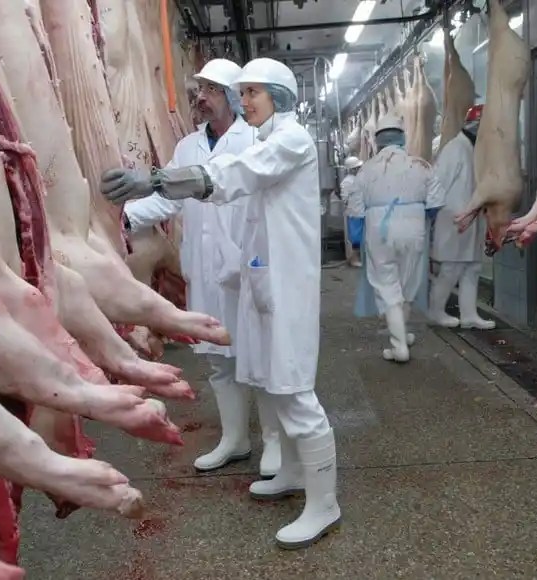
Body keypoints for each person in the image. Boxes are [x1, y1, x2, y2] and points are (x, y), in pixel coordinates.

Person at [100, 57, 340, 550]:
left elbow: (234, 173)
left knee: (293, 390)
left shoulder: (289, 140)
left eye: (252, 93)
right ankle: (293, 474)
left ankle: (325, 503)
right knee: (271, 383)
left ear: (281, 95)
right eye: (242, 92)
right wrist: (145, 199)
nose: (243, 100)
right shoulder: (270, 137)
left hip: (285, 288)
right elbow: (226, 178)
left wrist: (157, 178)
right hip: (260, 284)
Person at [109, 58, 282, 479]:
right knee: (218, 360)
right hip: (203, 269)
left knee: (259, 356)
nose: (200, 99)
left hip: (246, 267)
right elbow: (167, 197)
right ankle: (235, 439)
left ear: (230, 96)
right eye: (199, 91)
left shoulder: (255, 140)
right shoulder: (187, 146)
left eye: (209, 91)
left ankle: (275, 444)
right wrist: (126, 218)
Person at [346, 114, 446, 363]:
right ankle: (402, 332)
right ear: (403, 137)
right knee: (407, 284)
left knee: (388, 286)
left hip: (378, 229)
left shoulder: (366, 170)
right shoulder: (421, 165)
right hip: (414, 227)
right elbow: (435, 205)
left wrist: (357, 245)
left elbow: (355, 213)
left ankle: (399, 346)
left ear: (377, 141)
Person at [429, 104, 495, 330]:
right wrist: (433, 214)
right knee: (451, 269)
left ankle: (469, 315)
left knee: (472, 268)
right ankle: (436, 312)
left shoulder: (473, 149)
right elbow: (437, 183)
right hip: (453, 220)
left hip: (470, 220)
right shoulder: (455, 148)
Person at [339, 156, 363, 267]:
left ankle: (358, 258)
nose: (359, 169)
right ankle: (353, 259)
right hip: (354, 213)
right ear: (352, 169)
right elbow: (344, 199)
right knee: (356, 238)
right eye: (357, 167)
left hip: (362, 212)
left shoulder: (359, 179)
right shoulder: (347, 182)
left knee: (361, 237)